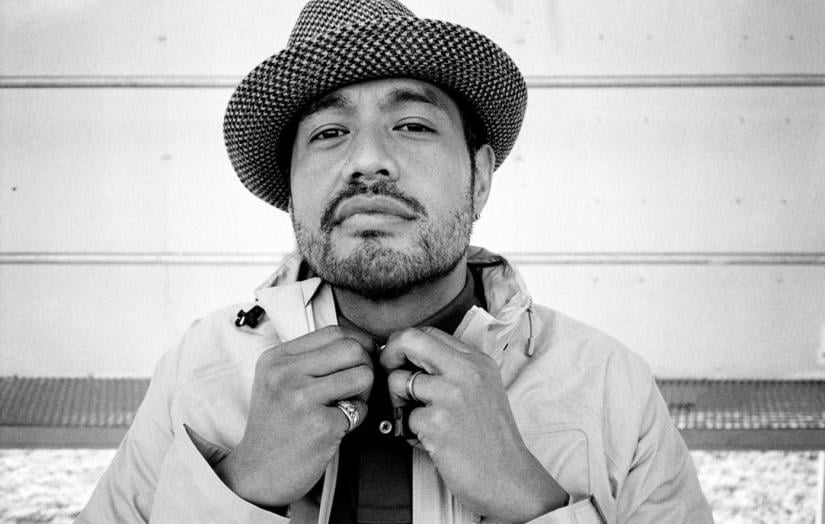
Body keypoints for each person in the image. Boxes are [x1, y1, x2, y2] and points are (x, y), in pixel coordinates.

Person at [79, 0, 713, 522]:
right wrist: (241, 487)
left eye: (411, 124)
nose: (367, 160)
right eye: (329, 134)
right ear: (293, 192)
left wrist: (528, 498)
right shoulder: (201, 367)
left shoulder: (607, 381)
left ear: (480, 178)